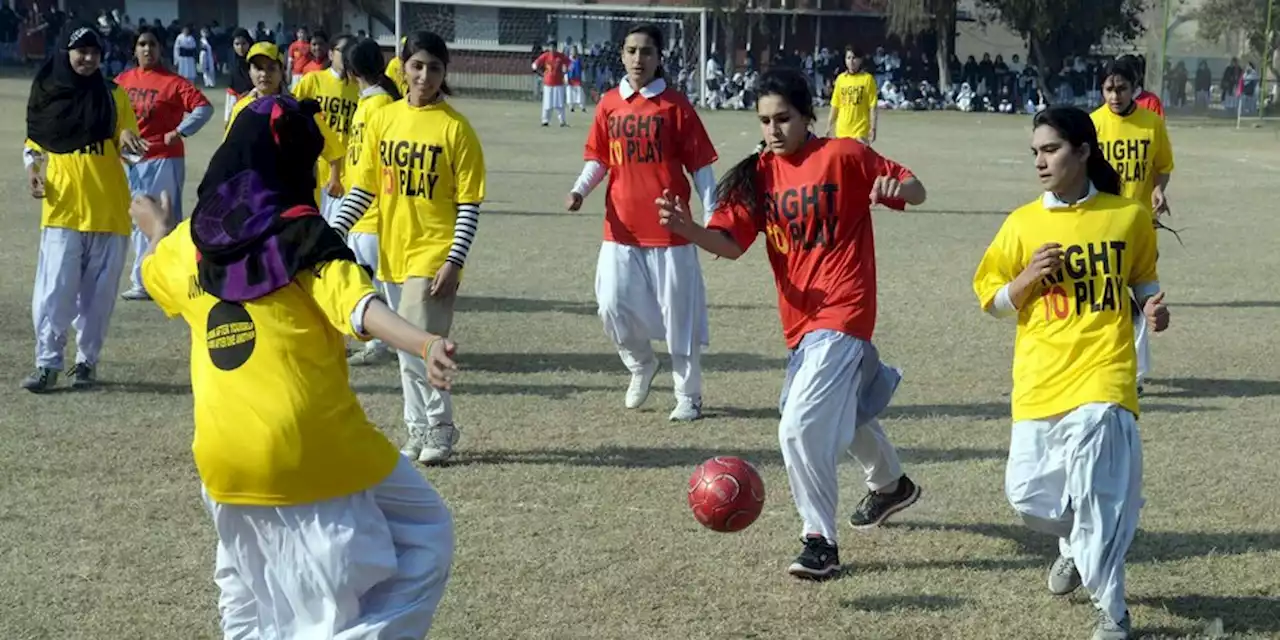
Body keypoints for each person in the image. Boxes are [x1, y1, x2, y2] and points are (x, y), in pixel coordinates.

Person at [130, 93, 456, 639]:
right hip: (307, 443)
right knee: (422, 535)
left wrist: (157, 229)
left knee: (250, 595)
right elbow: (358, 305)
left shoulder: (188, 242)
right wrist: (422, 343)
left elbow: (156, 271)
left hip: (223, 458)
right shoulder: (300, 232)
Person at [656, 69, 925, 579]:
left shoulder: (843, 155)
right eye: (764, 121)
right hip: (802, 324)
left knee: (799, 428)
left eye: (783, 118)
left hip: (845, 309)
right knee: (837, 414)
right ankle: (892, 485)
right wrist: (689, 228)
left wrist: (898, 186)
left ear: (807, 116)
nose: (773, 130)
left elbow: (916, 190)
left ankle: (819, 540)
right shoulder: (758, 174)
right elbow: (731, 245)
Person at [972, 105, 1170, 640]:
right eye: (1035, 151)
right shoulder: (1022, 223)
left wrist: (1152, 307)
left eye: (1051, 149)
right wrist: (1028, 278)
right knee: (1028, 498)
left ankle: (1114, 611)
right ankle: (1081, 545)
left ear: (1083, 151)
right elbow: (990, 299)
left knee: (1099, 493)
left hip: (1104, 374)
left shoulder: (1126, 216)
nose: (1040, 161)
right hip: (1040, 381)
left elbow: (1144, 279)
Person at [330, 31, 486, 465]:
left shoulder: (455, 129)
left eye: (434, 68)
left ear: (444, 73)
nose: (424, 75)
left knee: (425, 346)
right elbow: (364, 189)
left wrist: (455, 260)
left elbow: (470, 202)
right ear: (401, 66)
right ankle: (417, 429)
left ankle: (440, 427)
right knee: (406, 350)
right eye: (416, 65)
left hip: (434, 254)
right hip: (393, 253)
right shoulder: (385, 118)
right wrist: (332, 230)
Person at [566, 23, 718, 422]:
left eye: (646, 52)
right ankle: (640, 364)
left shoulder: (675, 106)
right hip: (620, 229)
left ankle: (689, 396)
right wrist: (580, 190)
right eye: (631, 51)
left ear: (658, 58)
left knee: (678, 317)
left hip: (671, 232)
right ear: (621, 54)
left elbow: (700, 166)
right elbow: (599, 158)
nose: (638, 59)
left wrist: (712, 214)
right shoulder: (609, 104)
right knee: (612, 304)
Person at [22, 24, 149, 392]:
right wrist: (33, 170)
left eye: (95, 52)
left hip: (108, 208)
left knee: (98, 297)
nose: (89, 58)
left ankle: (86, 362)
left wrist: (126, 138)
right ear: (66, 52)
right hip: (63, 209)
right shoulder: (48, 91)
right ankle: (47, 364)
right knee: (54, 291)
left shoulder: (113, 95)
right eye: (81, 51)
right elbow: (34, 143)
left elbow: (127, 144)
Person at [1090, 57, 1174, 392]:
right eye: (1108, 88)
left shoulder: (1151, 123)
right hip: (1101, 224)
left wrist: (1158, 189)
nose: (1114, 95)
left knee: (1142, 300)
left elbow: (1163, 166)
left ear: (1133, 88)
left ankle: (1135, 374)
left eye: (1121, 88)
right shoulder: (1092, 125)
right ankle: (1103, 363)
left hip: (1140, 225)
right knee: (1106, 297)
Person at [114, 25, 214, 301]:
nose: (147, 49)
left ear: (160, 49)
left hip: (162, 159)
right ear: (134, 49)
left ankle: (155, 281)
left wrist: (180, 131)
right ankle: (145, 278)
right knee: (137, 220)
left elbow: (204, 107)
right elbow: (110, 113)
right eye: (142, 44)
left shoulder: (173, 82)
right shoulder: (122, 80)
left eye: (152, 44)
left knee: (164, 220)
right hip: (130, 160)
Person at [341, 36, 402, 367]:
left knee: (373, 284)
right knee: (373, 282)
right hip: (363, 211)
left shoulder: (379, 107)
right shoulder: (369, 104)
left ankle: (383, 343)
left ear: (351, 71)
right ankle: (387, 341)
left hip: (372, 213)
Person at [227, 41, 345, 202]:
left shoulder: (299, 109)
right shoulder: (241, 109)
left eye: (271, 68)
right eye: (258, 68)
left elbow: (333, 149)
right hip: (253, 198)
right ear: (249, 72)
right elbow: (229, 153)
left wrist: (335, 179)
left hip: (294, 197)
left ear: (281, 71)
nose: (264, 74)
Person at [294, 32, 359, 223]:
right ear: (330, 54)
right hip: (315, 167)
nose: (348, 55)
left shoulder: (358, 88)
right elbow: (290, 113)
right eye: (343, 50)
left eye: (352, 51)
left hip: (346, 170)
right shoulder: (312, 81)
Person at [826, 46, 878, 144]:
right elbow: (835, 105)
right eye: (848, 58)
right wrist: (829, 124)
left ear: (860, 60)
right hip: (842, 131)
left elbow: (872, 107)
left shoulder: (868, 79)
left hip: (860, 131)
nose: (851, 61)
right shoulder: (841, 79)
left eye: (854, 58)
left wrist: (873, 127)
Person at [533, 41, 568, 127]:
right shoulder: (546, 55)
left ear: (556, 48)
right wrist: (541, 73)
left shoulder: (560, 56)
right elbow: (535, 64)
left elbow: (569, 63)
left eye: (553, 47)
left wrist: (565, 71)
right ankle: (545, 120)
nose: (552, 49)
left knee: (559, 103)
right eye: (550, 47)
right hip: (548, 83)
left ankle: (562, 121)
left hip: (559, 83)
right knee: (547, 103)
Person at [224, 28, 254, 123]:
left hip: (254, 99)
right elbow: (231, 87)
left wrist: (251, 92)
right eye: (237, 44)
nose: (240, 48)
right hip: (235, 97)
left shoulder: (255, 60)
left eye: (244, 44)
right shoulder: (232, 58)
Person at [567, 45, 585, 112]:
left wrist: (583, 78)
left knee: (580, 92)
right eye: (572, 50)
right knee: (570, 93)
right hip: (570, 78)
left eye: (575, 50)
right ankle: (571, 106)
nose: (574, 52)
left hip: (578, 78)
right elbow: (565, 69)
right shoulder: (568, 59)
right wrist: (565, 77)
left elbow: (583, 68)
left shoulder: (579, 59)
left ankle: (582, 106)